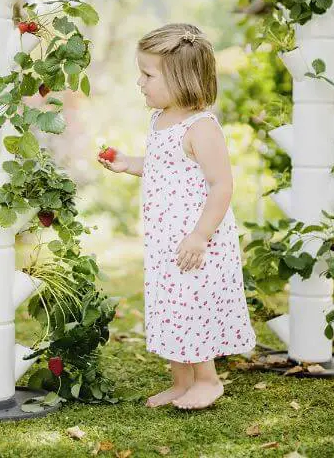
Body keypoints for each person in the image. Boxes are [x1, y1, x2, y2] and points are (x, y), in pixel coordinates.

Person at [98, 23, 255, 410]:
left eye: (148, 74)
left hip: (197, 241)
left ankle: (208, 379)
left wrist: (200, 236)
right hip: (165, 241)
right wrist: (126, 163)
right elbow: (160, 166)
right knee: (171, 306)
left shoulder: (201, 127)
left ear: (181, 78)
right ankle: (181, 381)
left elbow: (221, 186)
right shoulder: (160, 121)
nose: (140, 82)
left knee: (194, 304)